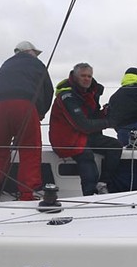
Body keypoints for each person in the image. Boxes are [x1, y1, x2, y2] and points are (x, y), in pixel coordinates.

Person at [0, 41, 54, 201]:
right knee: (30, 150)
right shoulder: (36, 64)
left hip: (0, 108)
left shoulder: (5, 64)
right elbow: (48, 90)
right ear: (29, 52)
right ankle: (27, 194)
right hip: (25, 106)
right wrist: (41, 112)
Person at [49, 63, 122, 196]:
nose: (87, 79)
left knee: (115, 146)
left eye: (89, 76)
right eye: (83, 76)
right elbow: (83, 125)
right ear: (75, 77)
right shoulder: (67, 96)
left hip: (82, 136)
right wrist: (108, 122)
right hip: (66, 138)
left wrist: (104, 113)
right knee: (86, 155)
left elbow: (90, 118)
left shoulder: (87, 94)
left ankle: (103, 184)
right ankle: (90, 194)